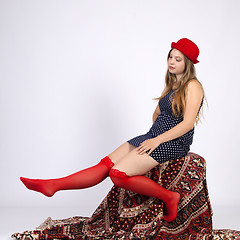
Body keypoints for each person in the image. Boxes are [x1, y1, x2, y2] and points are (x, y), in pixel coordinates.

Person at [20, 38, 204, 223]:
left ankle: (169, 197)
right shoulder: (173, 85)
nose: (171, 62)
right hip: (153, 136)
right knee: (105, 165)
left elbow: (188, 124)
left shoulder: (193, 86)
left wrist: (158, 140)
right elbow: (157, 113)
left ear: (187, 63)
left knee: (118, 174)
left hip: (174, 143)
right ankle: (54, 185)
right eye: (170, 57)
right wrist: (154, 134)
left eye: (177, 59)